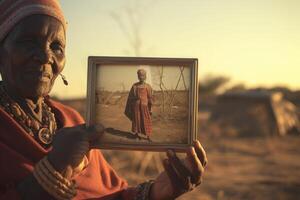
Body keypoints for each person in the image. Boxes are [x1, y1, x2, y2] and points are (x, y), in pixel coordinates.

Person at [0, 0, 207, 200]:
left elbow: (111, 194)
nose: (46, 56)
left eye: (57, 47)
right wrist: (55, 167)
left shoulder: (72, 120)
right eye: (28, 42)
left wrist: (158, 192)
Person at [125, 69, 153, 141]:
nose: (141, 77)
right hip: (136, 106)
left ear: (145, 76)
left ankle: (148, 136)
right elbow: (130, 97)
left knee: (147, 120)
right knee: (137, 120)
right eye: (140, 75)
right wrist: (132, 105)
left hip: (145, 107)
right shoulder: (134, 86)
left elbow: (150, 98)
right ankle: (136, 135)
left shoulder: (148, 86)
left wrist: (150, 108)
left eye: (143, 75)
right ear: (138, 76)